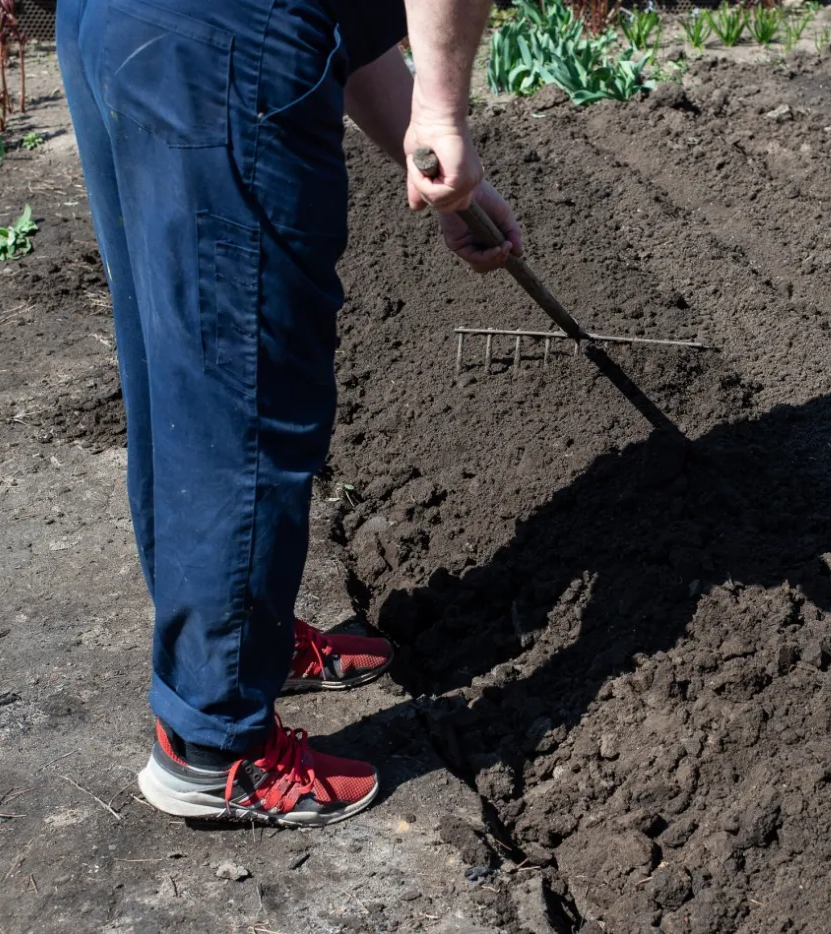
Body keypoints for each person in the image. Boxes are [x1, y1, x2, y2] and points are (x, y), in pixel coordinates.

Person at [56, 0, 524, 827]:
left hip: (124, 25)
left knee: (179, 368)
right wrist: (444, 113)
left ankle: (237, 644)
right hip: (224, 44)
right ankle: (213, 747)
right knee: (243, 386)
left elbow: (360, 18)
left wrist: (445, 179)